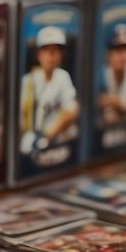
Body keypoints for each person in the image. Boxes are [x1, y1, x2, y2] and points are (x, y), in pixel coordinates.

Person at [19, 25, 79, 156]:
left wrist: (46, 136)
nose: (51, 56)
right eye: (47, 51)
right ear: (39, 55)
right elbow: (21, 120)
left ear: (61, 55)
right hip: (32, 143)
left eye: (55, 51)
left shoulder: (62, 76)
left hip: (57, 142)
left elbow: (72, 110)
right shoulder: (27, 81)